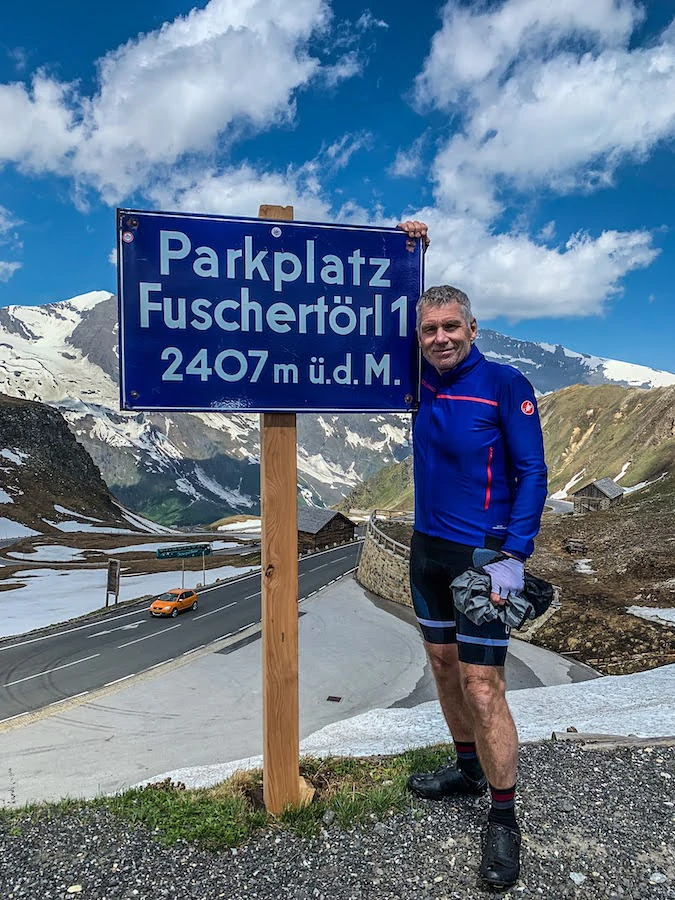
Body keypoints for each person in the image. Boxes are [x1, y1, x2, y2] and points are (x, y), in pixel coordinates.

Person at [396, 220, 548, 889]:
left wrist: (512, 557)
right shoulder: (417, 380)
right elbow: (360, 318)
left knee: (483, 685)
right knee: (440, 665)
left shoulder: (503, 384)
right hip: (425, 548)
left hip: (483, 557)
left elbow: (533, 474)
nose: (439, 339)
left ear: (471, 327)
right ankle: (464, 770)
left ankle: (503, 819)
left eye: (449, 327)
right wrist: (409, 252)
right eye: (428, 330)